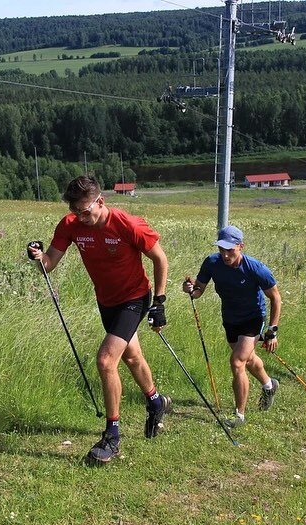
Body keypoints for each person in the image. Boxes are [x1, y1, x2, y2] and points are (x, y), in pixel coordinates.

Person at [28, 176, 171, 465]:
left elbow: (160, 259)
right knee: (132, 358)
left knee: (106, 361)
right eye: (76, 211)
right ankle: (156, 403)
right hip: (106, 301)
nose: (81, 217)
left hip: (134, 298)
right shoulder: (70, 225)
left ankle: (112, 436)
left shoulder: (128, 224)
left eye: (86, 211)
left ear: (100, 201)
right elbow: (49, 264)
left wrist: (159, 303)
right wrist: (38, 256)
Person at [182, 225, 282, 428]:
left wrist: (272, 330)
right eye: (221, 249)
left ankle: (239, 416)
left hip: (253, 318)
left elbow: (276, 298)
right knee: (248, 358)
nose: (225, 255)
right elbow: (199, 290)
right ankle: (269, 385)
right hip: (230, 318)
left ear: (241, 246)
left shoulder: (256, 268)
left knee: (237, 362)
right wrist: (191, 290)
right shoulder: (212, 263)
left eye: (230, 250)